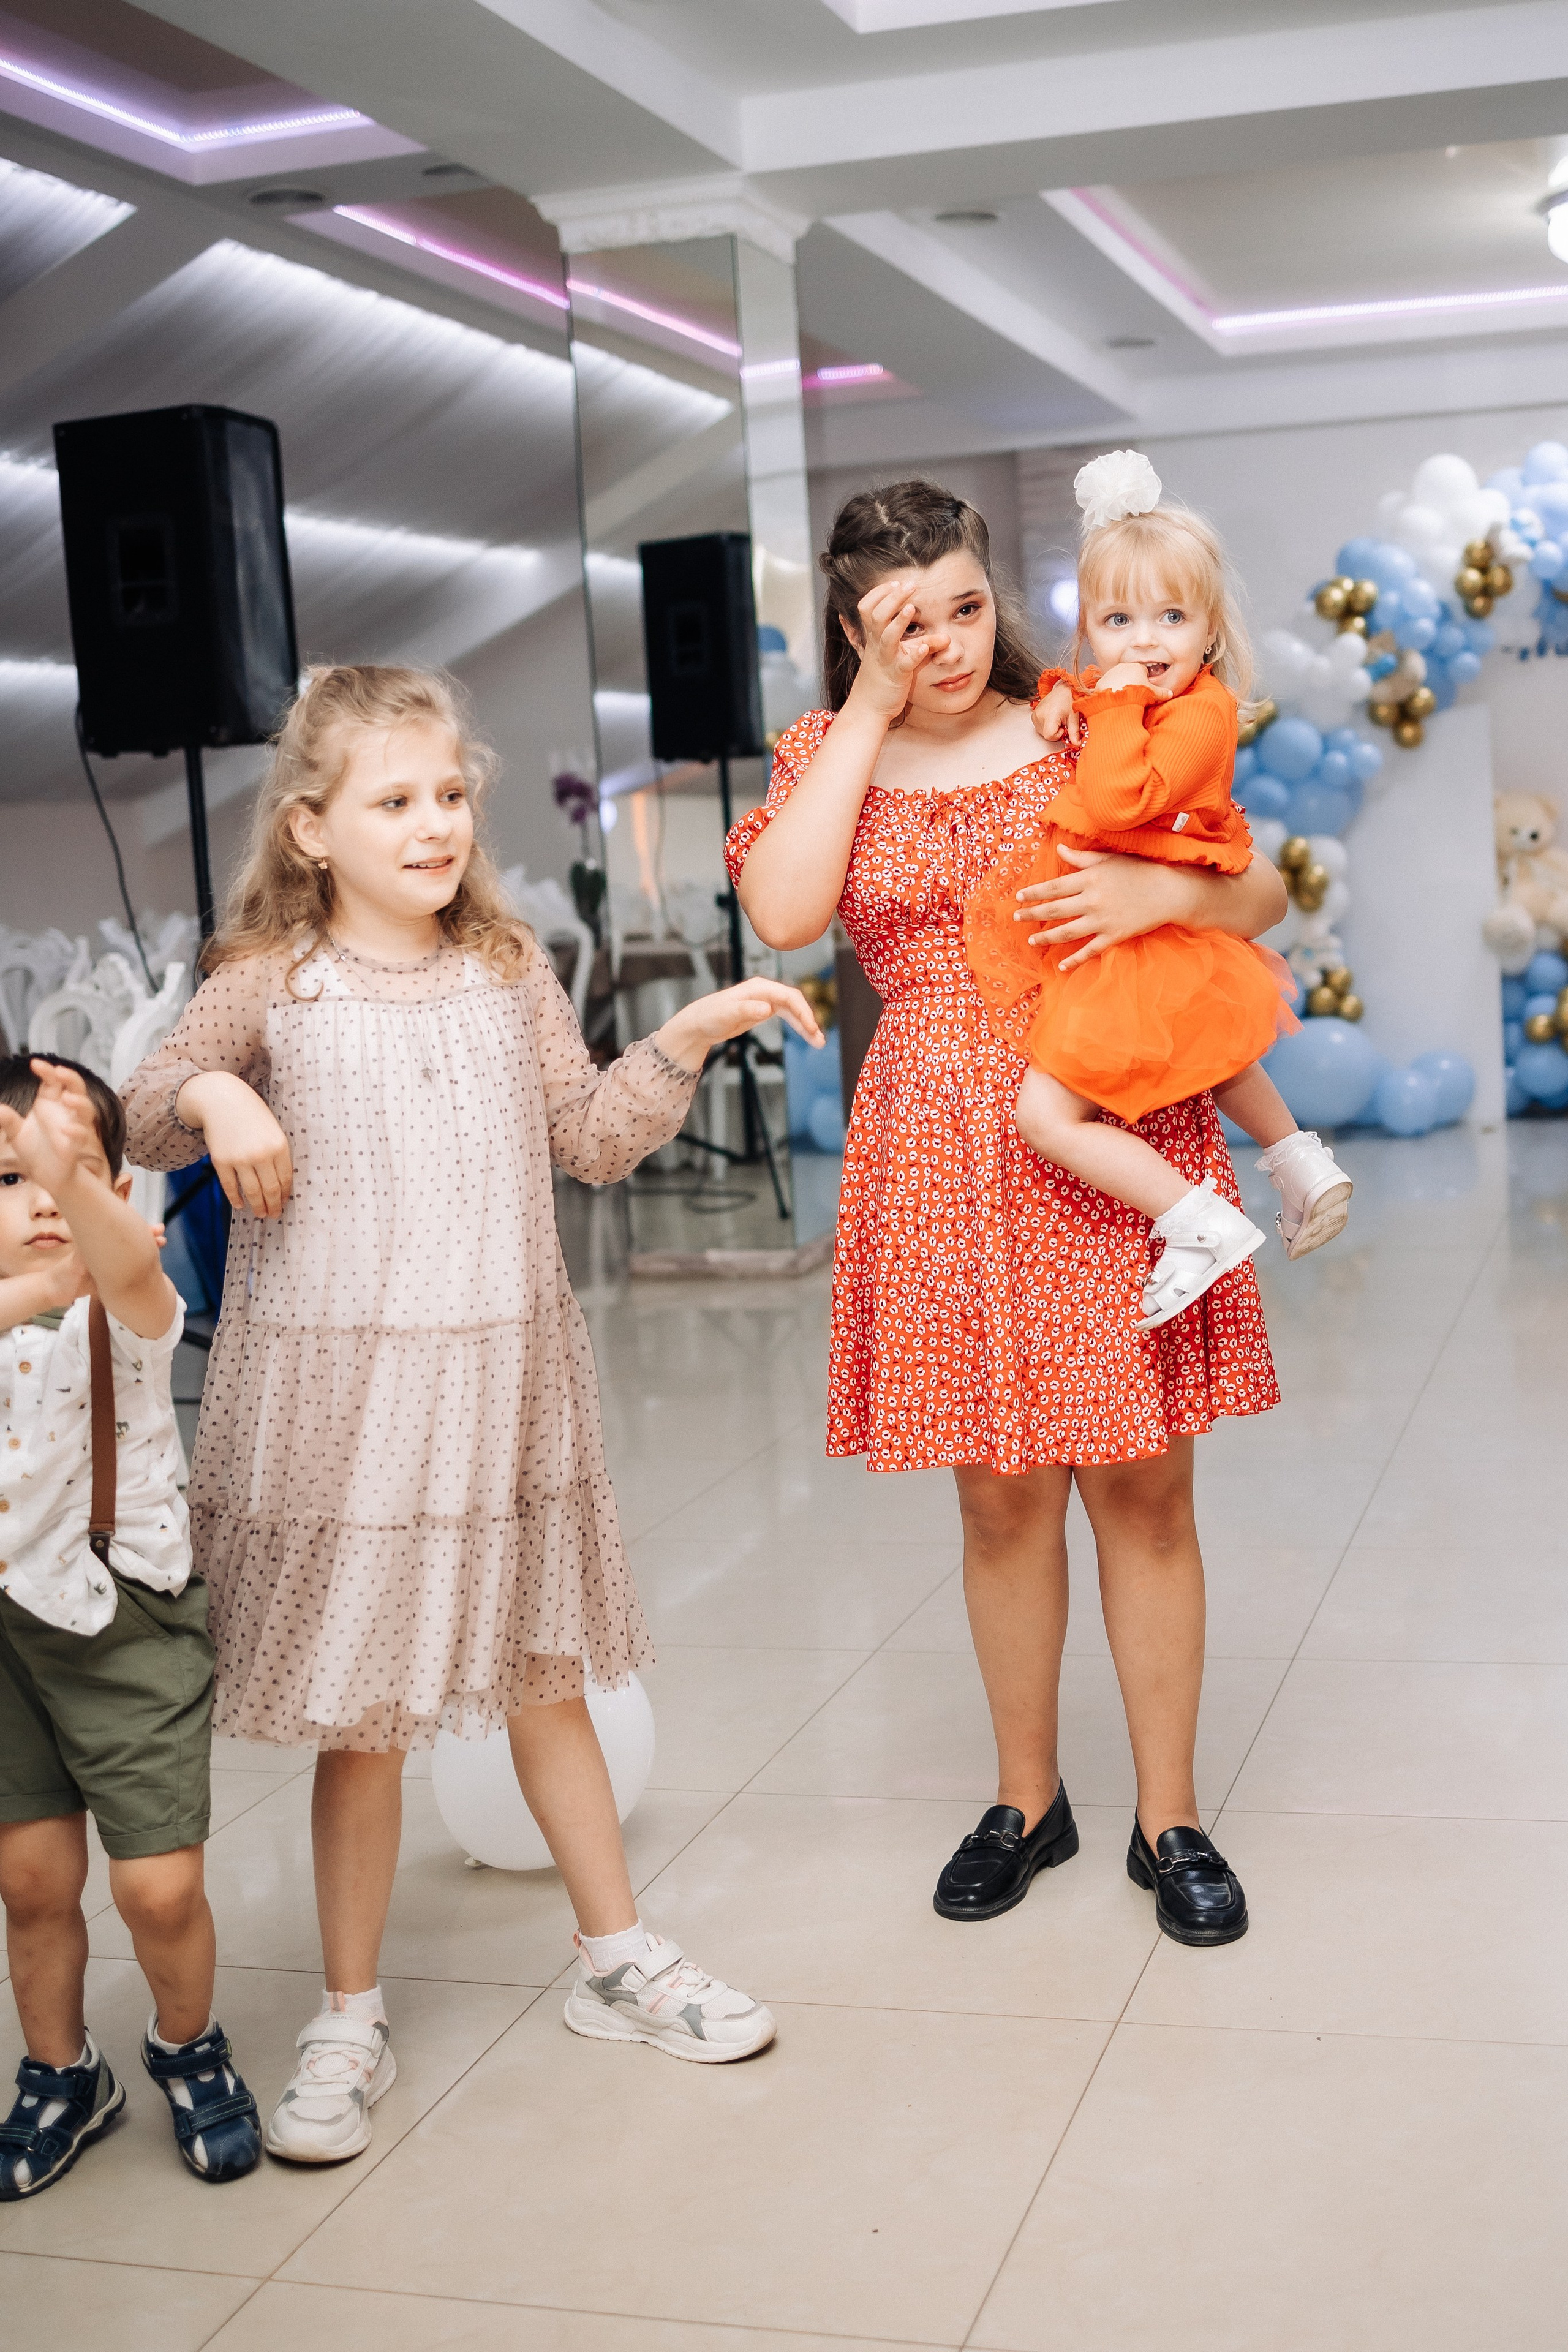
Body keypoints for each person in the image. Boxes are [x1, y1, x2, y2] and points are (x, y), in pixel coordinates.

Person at [122, 666, 822, 2159]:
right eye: (395, 800)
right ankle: (349, 2014)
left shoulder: (506, 968)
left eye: (449, 795)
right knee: (364, 1720)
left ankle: (615, 1957)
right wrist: (221, 1104)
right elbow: (142, 1099)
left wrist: (685, 1040)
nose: (434, 824)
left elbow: (586, 1140)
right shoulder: (272, 977)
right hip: (351, 1393)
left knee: (544, 1671)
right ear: (312, 828)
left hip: (502, 1377)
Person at [731, 481, 1285, 1947]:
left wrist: (1150, 901)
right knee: (996, 1494)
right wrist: (864, 708)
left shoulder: (1086, 717)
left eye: (966, 607)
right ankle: (1025, 1798)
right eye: (907, 625)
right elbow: (787, 913)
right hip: (934, 1139)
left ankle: (1166, 1819)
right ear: (855, 632)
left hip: (1108, 1112)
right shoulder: (820, 753)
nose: (949, 645)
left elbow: (1264, 889)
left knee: (1144, 1484)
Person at [965, 451, 1352, 1330]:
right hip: (1144, 929)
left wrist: (1106, 708)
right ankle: (1298, 1162)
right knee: (1210, 1054)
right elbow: (1096, 690)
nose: (1144, 643)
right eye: (1118, 620)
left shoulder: (1198, 711)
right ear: (1090, 632)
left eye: (1171, 617)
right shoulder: (1135, 686)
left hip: (1137, 931)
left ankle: (1194, 1220)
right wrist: (1072, 692)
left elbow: (1114, 796)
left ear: (1209, 630)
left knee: (1046, 1118)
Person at [0, 1052, 261, 2198]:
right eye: (9, 1178)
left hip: (123, 1617)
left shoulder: (130, 1308)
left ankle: (187, 2045)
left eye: (78, 1173)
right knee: (32, 1881)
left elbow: (127, 1279)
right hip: (6, 1638)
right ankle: (62, 2072)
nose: (46, 1199)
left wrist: (83, 1192)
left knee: (156, 1888)